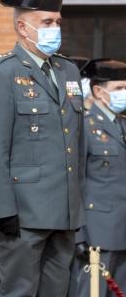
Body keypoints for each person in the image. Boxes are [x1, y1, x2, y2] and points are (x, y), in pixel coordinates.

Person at [0, 0, 85, 297]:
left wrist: (77, 204)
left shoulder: (68, 72)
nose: (54, 29)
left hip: (62, 211)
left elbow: (77, 144)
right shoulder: (2, 73)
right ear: (23, 27)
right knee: (18, 291)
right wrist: (1, 207)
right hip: (22, 213)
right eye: (46, 23)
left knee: (57, 290)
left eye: (57, 22)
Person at [70, 59, 126, 297]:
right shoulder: (84, 126)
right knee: (91, 292)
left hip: (122, 231)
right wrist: (78, 234)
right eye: (119, 88)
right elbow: (74, 184)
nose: (124, 93)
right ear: (98, 91)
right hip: (97, 233)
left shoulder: (122, 125)